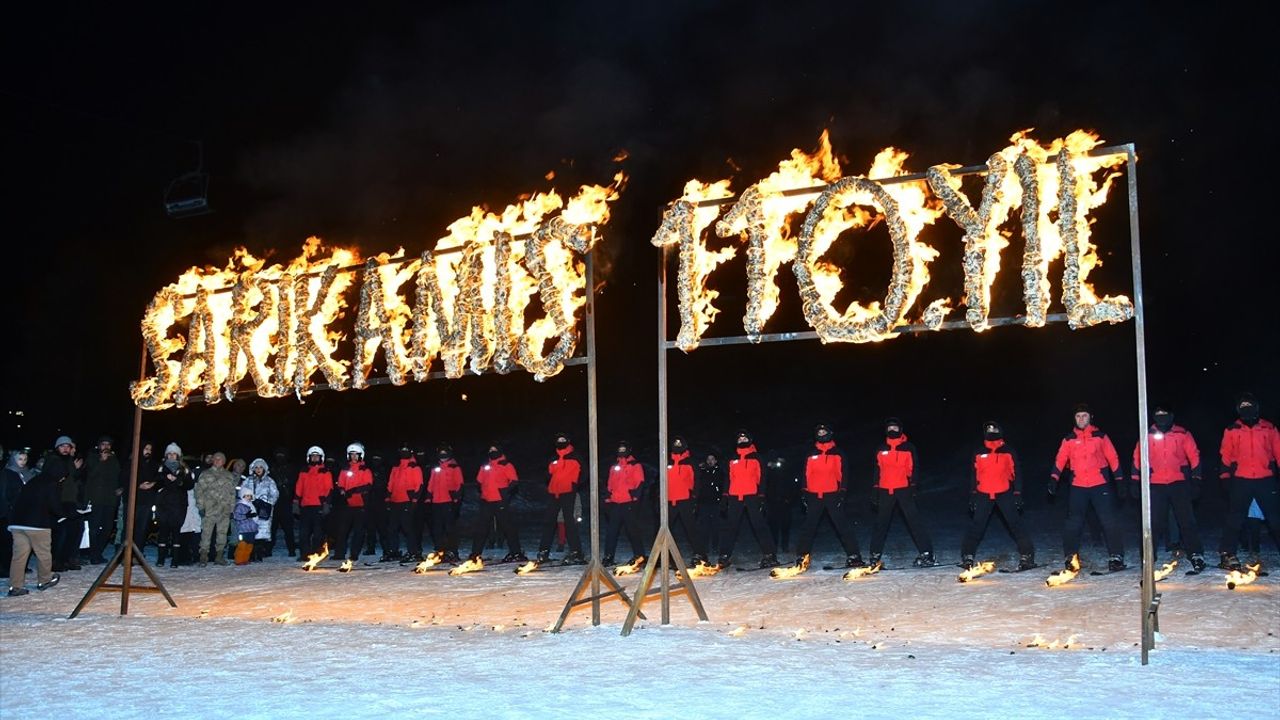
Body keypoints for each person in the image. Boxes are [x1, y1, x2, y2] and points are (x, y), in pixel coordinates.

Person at [1049, 404, 1126, 572]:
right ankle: (1071, 557)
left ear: (1090, 417)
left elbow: (1113, 457)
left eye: (1084, 415)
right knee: (1073, 523)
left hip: (1100, 484)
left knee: (1108, 520)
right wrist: (1053, 479)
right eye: (1078, 416)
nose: (1081, 419)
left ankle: (1116, 556)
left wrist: (1119, 479)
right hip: (1078, 486)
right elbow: (1060, 459)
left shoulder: (1100, 436)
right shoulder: (1069, 439)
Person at [1130, 406, 1206, 572]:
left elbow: (1194, 456)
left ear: (1171, 416)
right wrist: (1135, 480)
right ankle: (1149, 556)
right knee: (1154, 523)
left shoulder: (1182, 433)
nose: (1162, 417)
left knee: (1186, 521)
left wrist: (1196, 479)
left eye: (1165, 414)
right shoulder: (1147, 434)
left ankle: (1196, 554)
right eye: (1158, 414)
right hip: (1156, 484)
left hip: (1178, 482)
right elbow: (1138, 457)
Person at [1216, 393, 1280, 570]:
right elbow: (1225, 455)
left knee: (1275, 518)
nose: (1247, 410)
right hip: (1241, 479)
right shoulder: (1232, 430)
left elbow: (1278, 451)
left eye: (1250, 406)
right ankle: (1227, 554)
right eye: (1243, 407)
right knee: (1234, 518)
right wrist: (1224, 476)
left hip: (1265, 479)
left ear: (1256, 408)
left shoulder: (1269, 428)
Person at [962, 421, 1035, 570]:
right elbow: (973, 475)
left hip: (1004, 492)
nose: (991, 431)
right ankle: (967, 556)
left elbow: (1017, 473)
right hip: (983, 493)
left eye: (994, 428)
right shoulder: (978, 452)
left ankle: (1027, 556)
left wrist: (1017, 493)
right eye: (988, 429)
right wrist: (973, 494)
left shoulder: (1008, 451)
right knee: (977, 526)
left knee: (1015, 524)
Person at [792, 423, 863, 569]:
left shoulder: (838, 453)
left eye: (824, 432)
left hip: (832, 495)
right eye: (819, 432)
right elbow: (805, 474)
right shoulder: (811, 454)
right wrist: (804, 492)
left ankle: (853, 555)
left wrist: (842, 492)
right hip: (813, 495)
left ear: (830, 433)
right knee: (808, 528)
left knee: (842, 526)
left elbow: (843, 474)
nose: (822, 434)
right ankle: (802, 557)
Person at [868, 418, 935, 567]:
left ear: (900, 430)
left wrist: (913, 485)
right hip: (885, 490)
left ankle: (927, 553)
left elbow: (914, 468)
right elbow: (877, 470)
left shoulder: (908, 447)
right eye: (890, 427)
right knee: (881, 523)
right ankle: (874, 555)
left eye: (895, 427)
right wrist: (875, 489)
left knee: (914, 521)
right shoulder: (881, 448)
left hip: (904, 489)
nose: (892, 430)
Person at [717, 429, 778, 568]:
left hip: (752, 496)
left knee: (759, 525)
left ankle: (769, 554)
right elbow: (728, 478)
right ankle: (724, 555)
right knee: (730, 527)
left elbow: (762, 478)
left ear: (750, 440)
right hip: (734, 496)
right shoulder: (732, 459)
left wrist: (761, 496)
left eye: (745, 439)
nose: (742, 441)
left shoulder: (756, 458)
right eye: (740, 439)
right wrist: (725, 497)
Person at [6, 453, 62, 596]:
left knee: (19, 555)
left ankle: (15, 586)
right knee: (43, 553)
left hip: (17, 523)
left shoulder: (33, 480)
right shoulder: (51, 483)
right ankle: (44, 580)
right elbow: (55, 506)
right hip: (37, 524)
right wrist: (68, 512)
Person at [469, 443, 524, 563]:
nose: (492, 452)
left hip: (500, 500)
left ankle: (516, 552)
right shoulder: (485, 466)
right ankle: (475, 553)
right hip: (486, 500)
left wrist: (505, 493)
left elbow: (514, 481)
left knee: (507, 527)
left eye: (495, 450)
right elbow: (479, 481)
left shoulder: (506, 465)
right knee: (481, 528)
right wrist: (482, 490)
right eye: (490, 450)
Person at [537, 432, 584, 565]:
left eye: (563, 439)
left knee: (569, 522)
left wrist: (574, 485)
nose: (561, 442)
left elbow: (584, 473)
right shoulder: (553, 458)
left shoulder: (576, 457)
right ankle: (543, 551)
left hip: (568, 492)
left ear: (568, 441)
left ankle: (576, 551)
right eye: (559, 440)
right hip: (554, 492)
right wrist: (550, 482)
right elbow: (547, 473)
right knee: (549, 521)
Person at [44, 436, 85, 572]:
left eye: (68, 446)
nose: (66, 449)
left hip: (71, 500)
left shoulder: (69, 460)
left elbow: (76, 479)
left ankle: (67, 559)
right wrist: (73, 467)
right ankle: (56, 561)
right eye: (63, 446)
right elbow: (63, 476)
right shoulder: (54, 460)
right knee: (61, 532)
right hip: (59, 500)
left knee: (74, 531)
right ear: (57, 447)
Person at [666, 436, 709, 565]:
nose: (677, 446)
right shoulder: (667, 461)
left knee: (691, 528)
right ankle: (666, 555)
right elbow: (661, 480)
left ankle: (700, 554)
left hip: (685, 499)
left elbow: (696, 481)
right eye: (675, 444)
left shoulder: (690, 462)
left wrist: (694, 498)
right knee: (665, 529)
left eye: (680, 444)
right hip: (669, 500)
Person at [603, 440, 647, 566]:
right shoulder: (614, 465)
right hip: (615, 502)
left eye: (624, 449)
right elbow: (610, 483)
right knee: (612, 531)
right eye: (620, 450)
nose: (622, 452)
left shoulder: (635, 465)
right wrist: (608, 497)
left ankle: (639, 555)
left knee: (632, 531)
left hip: (628, 503)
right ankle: (608, 556)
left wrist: (635, 499)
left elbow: (640, 483)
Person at [83, 436, 122, 565]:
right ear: (99, 446)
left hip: (110, 500)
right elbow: (90, 475)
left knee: (107, 528)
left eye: (108, 444)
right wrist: (101, 461)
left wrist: (120, 488)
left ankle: (97, 552)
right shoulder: (92, 457)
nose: (106, 447)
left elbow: (118, 476)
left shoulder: (114, 459)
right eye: (103, 444)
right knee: (94, 528)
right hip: (96, 498)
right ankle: (93, 554)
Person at [332, 443, 374, 562]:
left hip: (361, 505)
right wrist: (341, 490)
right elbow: (340, 483)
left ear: (361, 455)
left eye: (356, 454)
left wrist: (353, 491)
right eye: (352, 454)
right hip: (347, 504)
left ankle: (354, 554)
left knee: (358, 531)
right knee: (342, 530)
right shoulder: (345, 469)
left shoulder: (365, 470)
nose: (354, 457)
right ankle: (339, 553)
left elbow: (368, 485)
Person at [194, 452, 237, 566]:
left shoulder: (229, 476)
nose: (218, 461)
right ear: (213, 460)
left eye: (220, 459)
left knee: (222, 534)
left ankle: (219, 556)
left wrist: (232, 508)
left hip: (224, 510)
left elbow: (232, 493)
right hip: (209, 509)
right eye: (216, 459)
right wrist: (201, 506)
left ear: (224, 461)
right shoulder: (205, 474)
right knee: (206, 534)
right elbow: (199, 492)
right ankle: (203, 556)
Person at [2, 449, 39, 579]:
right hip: (11, 512)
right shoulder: (7, 473)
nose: (22, 462)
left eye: (24, 459)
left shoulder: (27, 473)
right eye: (20, 459)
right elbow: (6, 493)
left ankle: (21, 565)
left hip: (25, 511)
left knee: (23, 541)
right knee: (9, 541)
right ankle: (5, 567)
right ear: (13, 459)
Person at [384, 442, 424, 562]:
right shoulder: (396, 467)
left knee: (408, 528)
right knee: (392, 528)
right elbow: (390, 484)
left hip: (407, 501)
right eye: (402, 450)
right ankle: (393, 551)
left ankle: (414, 552)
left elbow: (419, 485)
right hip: (395, 501)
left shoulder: (414, 467)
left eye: (406, 450)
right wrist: (387, 498)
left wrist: (414, 500)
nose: (403, 452)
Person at [153, 443, 192, 568]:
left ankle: (175, 560)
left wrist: (179, 481)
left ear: (178, 455)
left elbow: (190, 485)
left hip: (179, 505)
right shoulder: (160, 468)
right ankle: (161, 559)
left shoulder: (184, 469)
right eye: (169, 453)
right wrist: (165, 478)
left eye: (174, 453)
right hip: (163, 504)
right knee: (163, 531)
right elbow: (156, 483)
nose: (171, 456)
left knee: (176, 532)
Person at [295, 446, 333, 558]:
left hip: (319, 506)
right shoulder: (304, 471)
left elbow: (329, 489)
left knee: (318, 534)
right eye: (313, 456)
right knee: (303, 533)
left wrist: (327, 504)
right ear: (309, 457)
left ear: (321, 458)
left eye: (317, 456)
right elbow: (299, 487)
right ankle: (305, 555)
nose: (315, 458)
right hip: (306, 506)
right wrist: (295, 502)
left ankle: (315, 554)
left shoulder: (325, 472)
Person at [427, 444, 463, 562]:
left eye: (444, 453)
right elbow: (431, 483)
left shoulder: (454, 467)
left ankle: (452, 551)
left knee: (450, 528)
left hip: (449, 501)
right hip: (436, 501)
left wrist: (457, 498)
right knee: (437, 528)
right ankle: (440, 550)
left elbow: (459, 483)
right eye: (440, 453)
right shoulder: (436, 467)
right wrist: (428, 496)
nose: (442, 455)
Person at [242, 458, 279, 561]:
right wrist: (248, 501)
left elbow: (275, 494)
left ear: (264, 469)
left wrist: (267, 503)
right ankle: (251, 553)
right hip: (251, 509)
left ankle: (259, 553)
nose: (258, 469)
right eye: (256, 467)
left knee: (262, 532)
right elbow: (242, 492)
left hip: (264, 510)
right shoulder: (248, 480)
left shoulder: (269, 481)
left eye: (261, 467)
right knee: (251, 531)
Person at [764, 452, 800, 554]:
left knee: (786, 526)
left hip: (786, 502)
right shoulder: (771, 472)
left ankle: (785, 546)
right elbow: (766, 486)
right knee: (773, 526)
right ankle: (773, 546)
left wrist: (791, 499)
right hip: (773, 502)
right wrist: (767, 499)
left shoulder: (789, 471)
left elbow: (794, 487)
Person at [270, 447, 298, 558]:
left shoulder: (291, 469)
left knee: (288, 529)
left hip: (286, 502)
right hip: (274, 502)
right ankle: (268, 549)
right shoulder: (272, 468)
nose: (280, 457)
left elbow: (296, 484)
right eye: (278, 455)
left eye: (282, 455)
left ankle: (291, 550)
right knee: (272, 528)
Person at [695, 453, 723, 556]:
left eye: (712, 459)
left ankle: (715, 546)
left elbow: (722, 484)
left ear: (716, 461)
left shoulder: (719, 471)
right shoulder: (702, 471)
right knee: (704, 526)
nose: (710, 461)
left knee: (716, 525)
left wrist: (722, 499)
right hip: (704, 502)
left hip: (716, 502)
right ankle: (704, 547)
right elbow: (698, 484)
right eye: (708, 459)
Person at [231, 491, 259, 565]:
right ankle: (239, 560)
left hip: (251, 529)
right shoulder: (240, 505)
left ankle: (245, 559)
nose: (249, 497)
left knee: (249, 545)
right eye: (247, 496)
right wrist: (246, 516)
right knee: (242, 545)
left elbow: (255, 517)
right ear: (243, 496)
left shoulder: (251, 505)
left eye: (250, 496)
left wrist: (255, 526)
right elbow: (236, 516)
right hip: (243, 529)